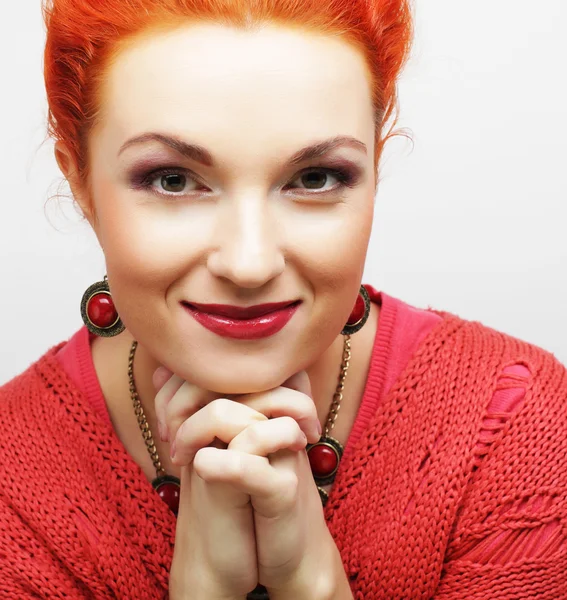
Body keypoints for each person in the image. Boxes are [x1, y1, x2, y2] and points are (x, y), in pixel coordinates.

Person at [1, 0, 566, 598]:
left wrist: (310, 581)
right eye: (172, 180)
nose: (250, 263)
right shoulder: (12, 487)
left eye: (315, 178)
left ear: (374, 168)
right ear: (80, 181)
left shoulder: (518, 429)